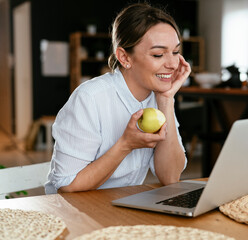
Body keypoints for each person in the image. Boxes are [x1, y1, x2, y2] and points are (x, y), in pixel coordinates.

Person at [45, 3, 191, 194]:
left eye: (175, 52)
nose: (172, 64)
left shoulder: (157, 95)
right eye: (158, 54)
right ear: (124, 58)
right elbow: (67, 186)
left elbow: (171, 177)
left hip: (120, 206)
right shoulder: (90, 99)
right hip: (74, 212)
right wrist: (126, 144)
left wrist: (166, 100)